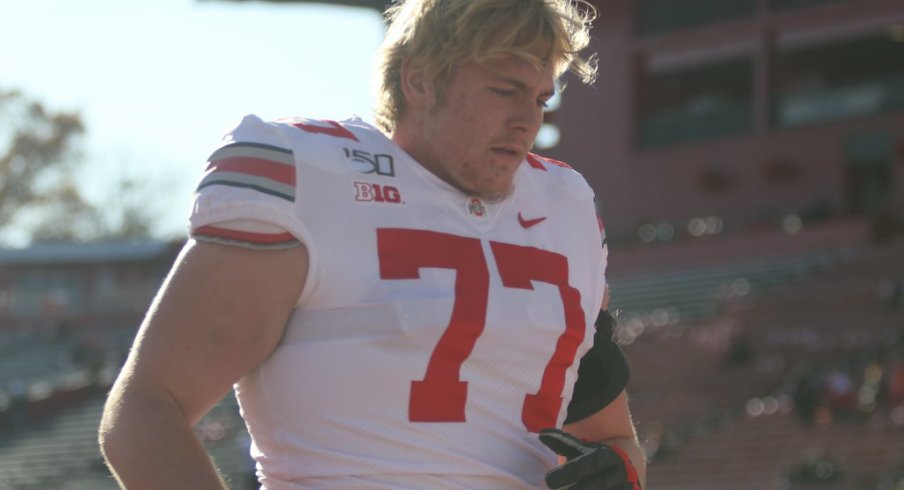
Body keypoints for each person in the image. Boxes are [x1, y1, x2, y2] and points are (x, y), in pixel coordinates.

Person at [98, 0, 646, 488]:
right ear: (420, 80)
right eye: (504, 90)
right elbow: (144, 412)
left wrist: (618, 475)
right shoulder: (307, 177)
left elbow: (613, 440)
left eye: (540, 97)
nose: (528, 120)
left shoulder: (564, 205)